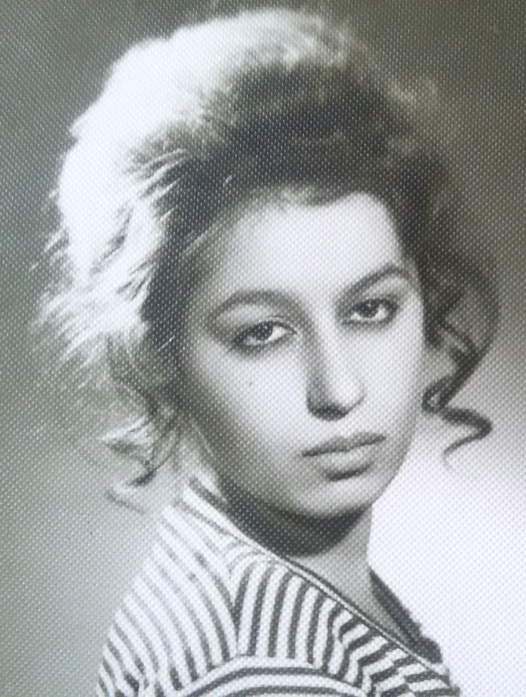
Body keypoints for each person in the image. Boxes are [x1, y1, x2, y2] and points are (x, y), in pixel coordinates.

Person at [43, 8, 498, 696]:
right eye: (262, 333)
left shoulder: (242, 561)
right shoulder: (258, 672)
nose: (339, 390)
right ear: (160, 356)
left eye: (370, 309)